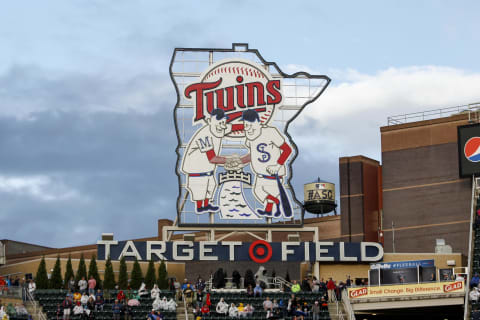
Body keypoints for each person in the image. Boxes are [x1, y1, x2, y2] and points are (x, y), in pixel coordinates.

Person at [181, 109, 241, 214]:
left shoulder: (219, 128)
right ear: (210, 121)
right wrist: (230, 159)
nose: (222, 125)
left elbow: (234, 127)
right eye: (219, 122)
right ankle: (200, 207)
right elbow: (212, 158)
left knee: (211, 186)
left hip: (208, 170)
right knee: (199, 190)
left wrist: (250, 125)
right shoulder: (204, 135)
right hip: (196, 170)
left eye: (223, 122)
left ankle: (207, 204)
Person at [241, 109, 293, 217]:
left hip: (273, 175)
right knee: (257, 192)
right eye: (246, 125)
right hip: (260, 175)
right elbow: (253, 155)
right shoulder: (250, 137)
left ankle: (274, 205)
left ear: (258, 122)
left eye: (250, 125)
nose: (248, 128)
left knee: (267, 192)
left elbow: (287, 150)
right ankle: (273, 206)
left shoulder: (270, 132)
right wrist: (240, 162)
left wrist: (277, 165)